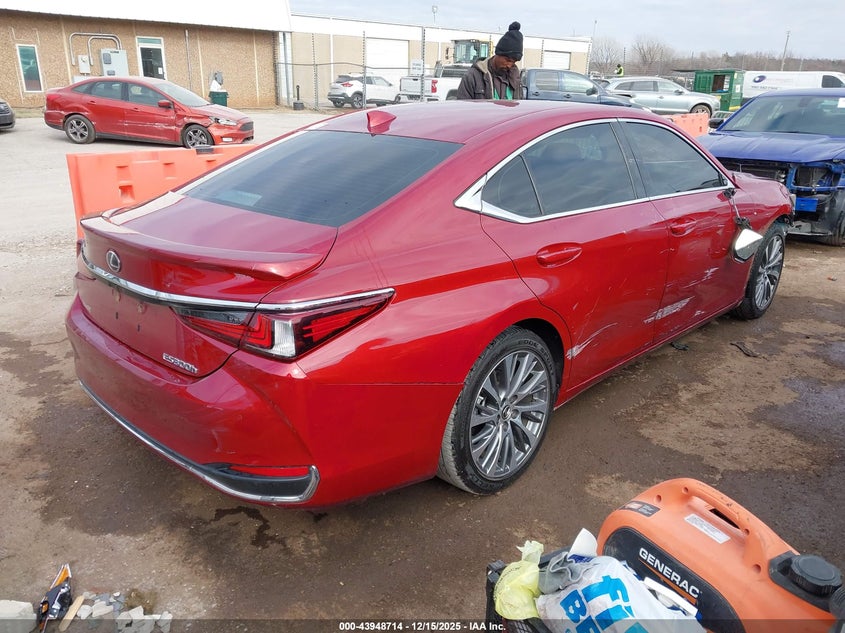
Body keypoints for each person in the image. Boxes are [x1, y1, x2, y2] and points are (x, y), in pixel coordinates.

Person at [457, 21, 523, 100]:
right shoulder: (472, 77)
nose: (509, 65)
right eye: (507, 60)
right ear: (498, 54)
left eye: (513, 62)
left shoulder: (516, 79)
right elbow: (463, 108)